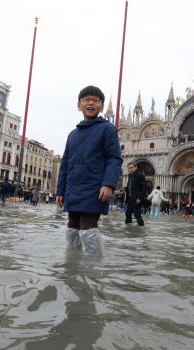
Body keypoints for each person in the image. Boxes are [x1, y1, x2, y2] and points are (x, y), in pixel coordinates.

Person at [56, 85, 122, 255]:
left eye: (96, 100)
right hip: (73, 188)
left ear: (101, 106)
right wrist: (60, 191)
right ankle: (72, 265)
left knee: (87, 226)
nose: (91, 103)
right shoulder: (72, 134)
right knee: (72, 226)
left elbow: (114, 158)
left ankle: (92, 270)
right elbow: (65, 165)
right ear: (79, 105)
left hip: (94, 188)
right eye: (87, 100)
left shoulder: (107, 129)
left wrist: (108, 184)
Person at [125, 161, 147, 226]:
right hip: (130, 197)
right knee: (128, 213)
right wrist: (125, 189)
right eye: (129, 168)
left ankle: (141, 228)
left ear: (135, 167)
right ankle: (128, 228)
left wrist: (139, 198)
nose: (130, 169)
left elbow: (144, 188)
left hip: (137, 198)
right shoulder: (130, 175)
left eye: (131, 167)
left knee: (137, 214)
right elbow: (131, 186)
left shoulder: (140, 175)